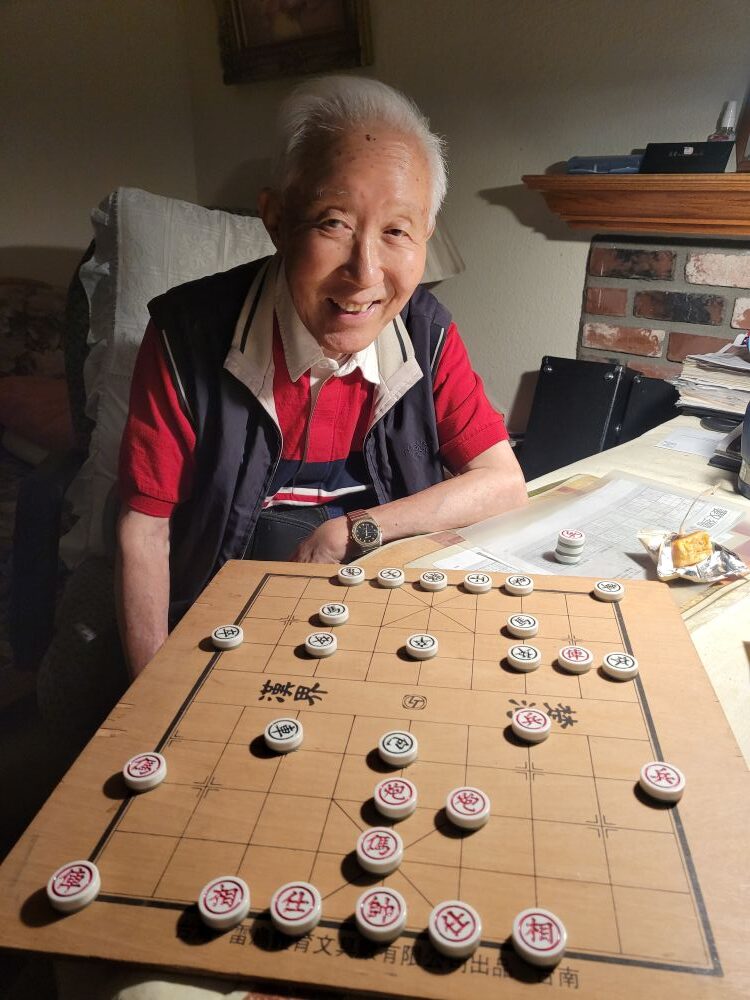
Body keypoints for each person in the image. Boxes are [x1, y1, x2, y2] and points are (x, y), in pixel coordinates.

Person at [116, 75, 527, 679]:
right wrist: (153, 696)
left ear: (425, 239)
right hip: (226, 611)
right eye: (333, 222)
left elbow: (502, 484)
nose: (365, 272)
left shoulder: (427, 332)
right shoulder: (187, 334)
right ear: (277, 220)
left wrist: (355, 531)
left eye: (396, 232)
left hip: (377, 607)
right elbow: (144, 530)